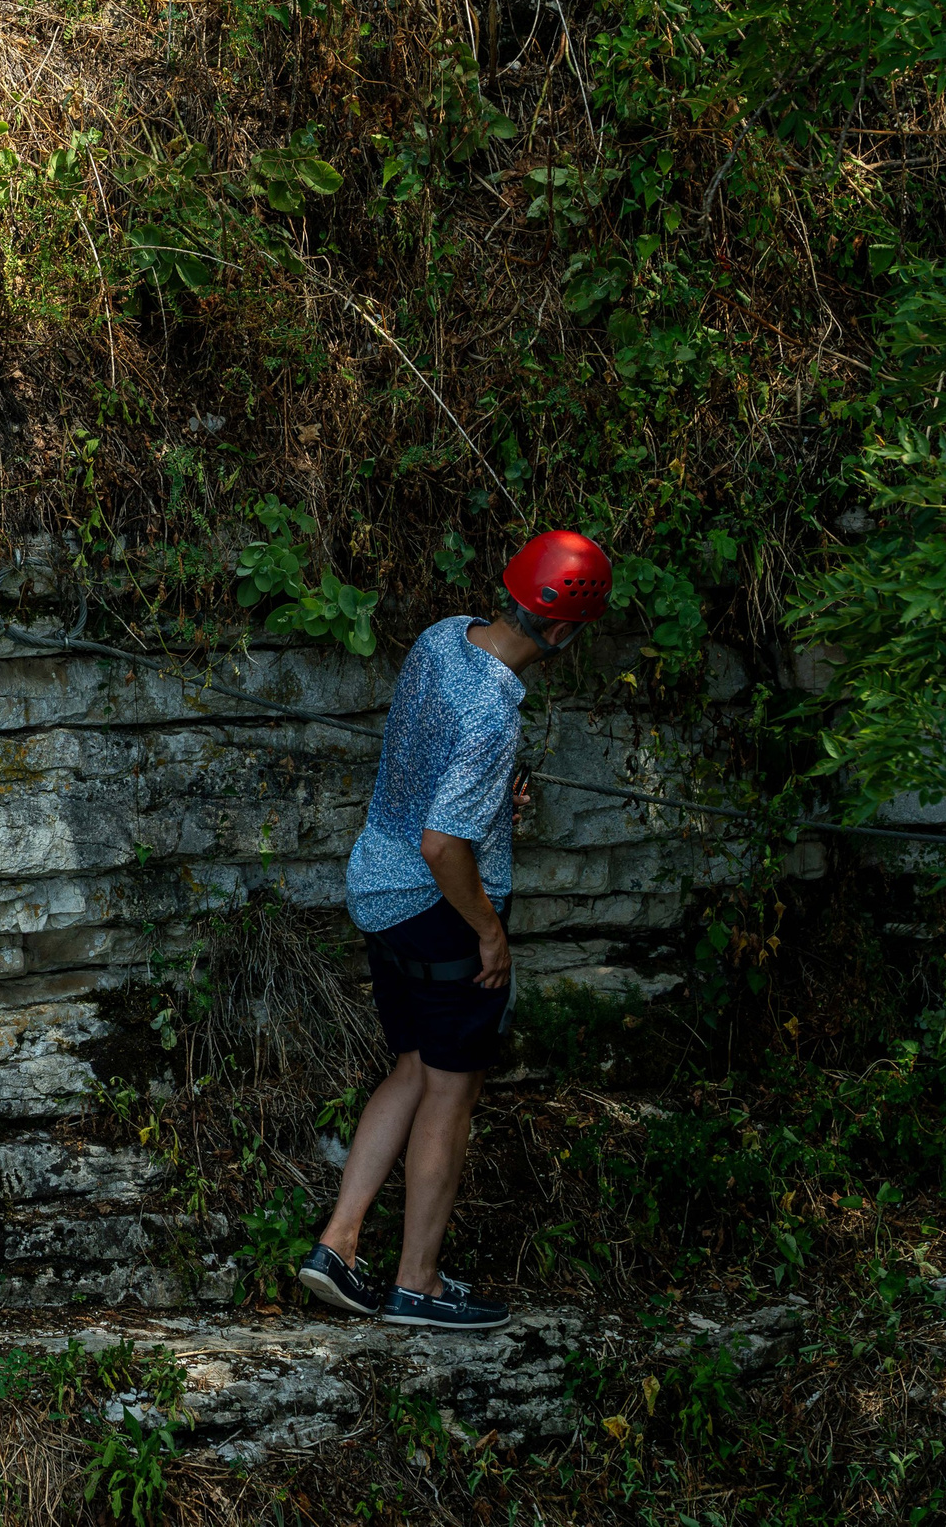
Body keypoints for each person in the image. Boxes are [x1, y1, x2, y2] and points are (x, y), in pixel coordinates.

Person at [297, 530, 612, 1331]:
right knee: (452, 1087)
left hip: (376, 883)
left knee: (411, 1064)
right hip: (436, 905)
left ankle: (336, 1244)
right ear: (569, 633)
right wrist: (490, 934)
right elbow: (444, 846)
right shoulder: (494, 717)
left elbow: (431, 758)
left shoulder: (445, 635)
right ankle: (418, 1283)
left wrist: (499, 787)